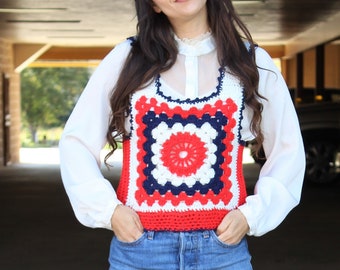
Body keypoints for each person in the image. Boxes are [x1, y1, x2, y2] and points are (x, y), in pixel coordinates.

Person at [59, 0, 305, 269]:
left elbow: (288, 149)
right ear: (153, 5)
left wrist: (253, 215)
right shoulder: (127, 58)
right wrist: (109, 211)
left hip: (222, 252)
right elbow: (77, 142)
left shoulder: (251, 61)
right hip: (141, 251)